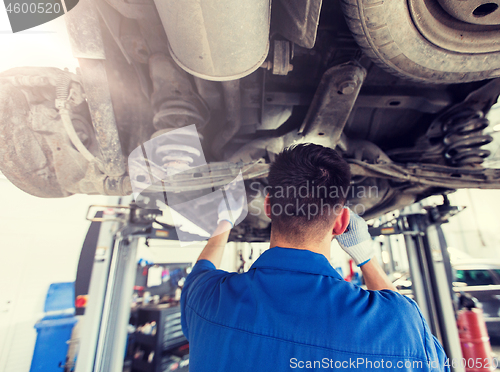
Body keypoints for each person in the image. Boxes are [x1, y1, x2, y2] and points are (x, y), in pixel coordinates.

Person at [180, 143, 449, 371]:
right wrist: (366, 258)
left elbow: (203, 269)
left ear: (269, 206)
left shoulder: (205, 299)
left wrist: (225, 220)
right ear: (342, 222)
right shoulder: (400, 324)